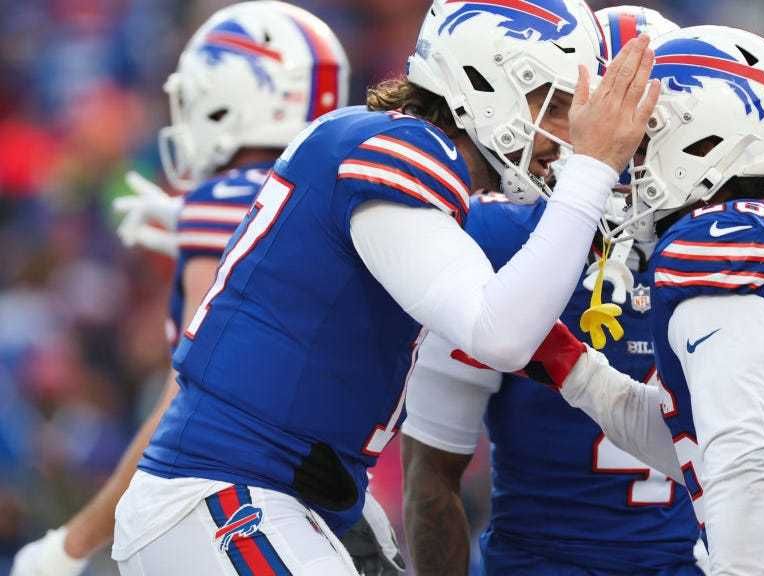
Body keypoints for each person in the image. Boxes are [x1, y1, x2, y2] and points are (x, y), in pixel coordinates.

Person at [112, 0, 662, 572]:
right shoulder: (405, 152)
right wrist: (592, 169)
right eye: (557, 104)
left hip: (300, 496)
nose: (568, 133)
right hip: (223, 491)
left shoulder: (388, 150)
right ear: (485, 84)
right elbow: (499, 335)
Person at [455, 25, 764, 575]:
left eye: (644, 142)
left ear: (704, 141)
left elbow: (744, 460)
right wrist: (577, 372)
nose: (628, 166)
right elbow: (696, 443)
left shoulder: (721, 241)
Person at [8, 3, 387, 575]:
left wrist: (71, 544)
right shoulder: (339, 195)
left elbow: (184, 405)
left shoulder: (225, 204)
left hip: (233, 497)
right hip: (331, 488)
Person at [399, 7, 699, 576]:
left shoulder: (728, 253)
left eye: (646, 132)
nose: (626, 153)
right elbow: (433, 472)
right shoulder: (504, 237)